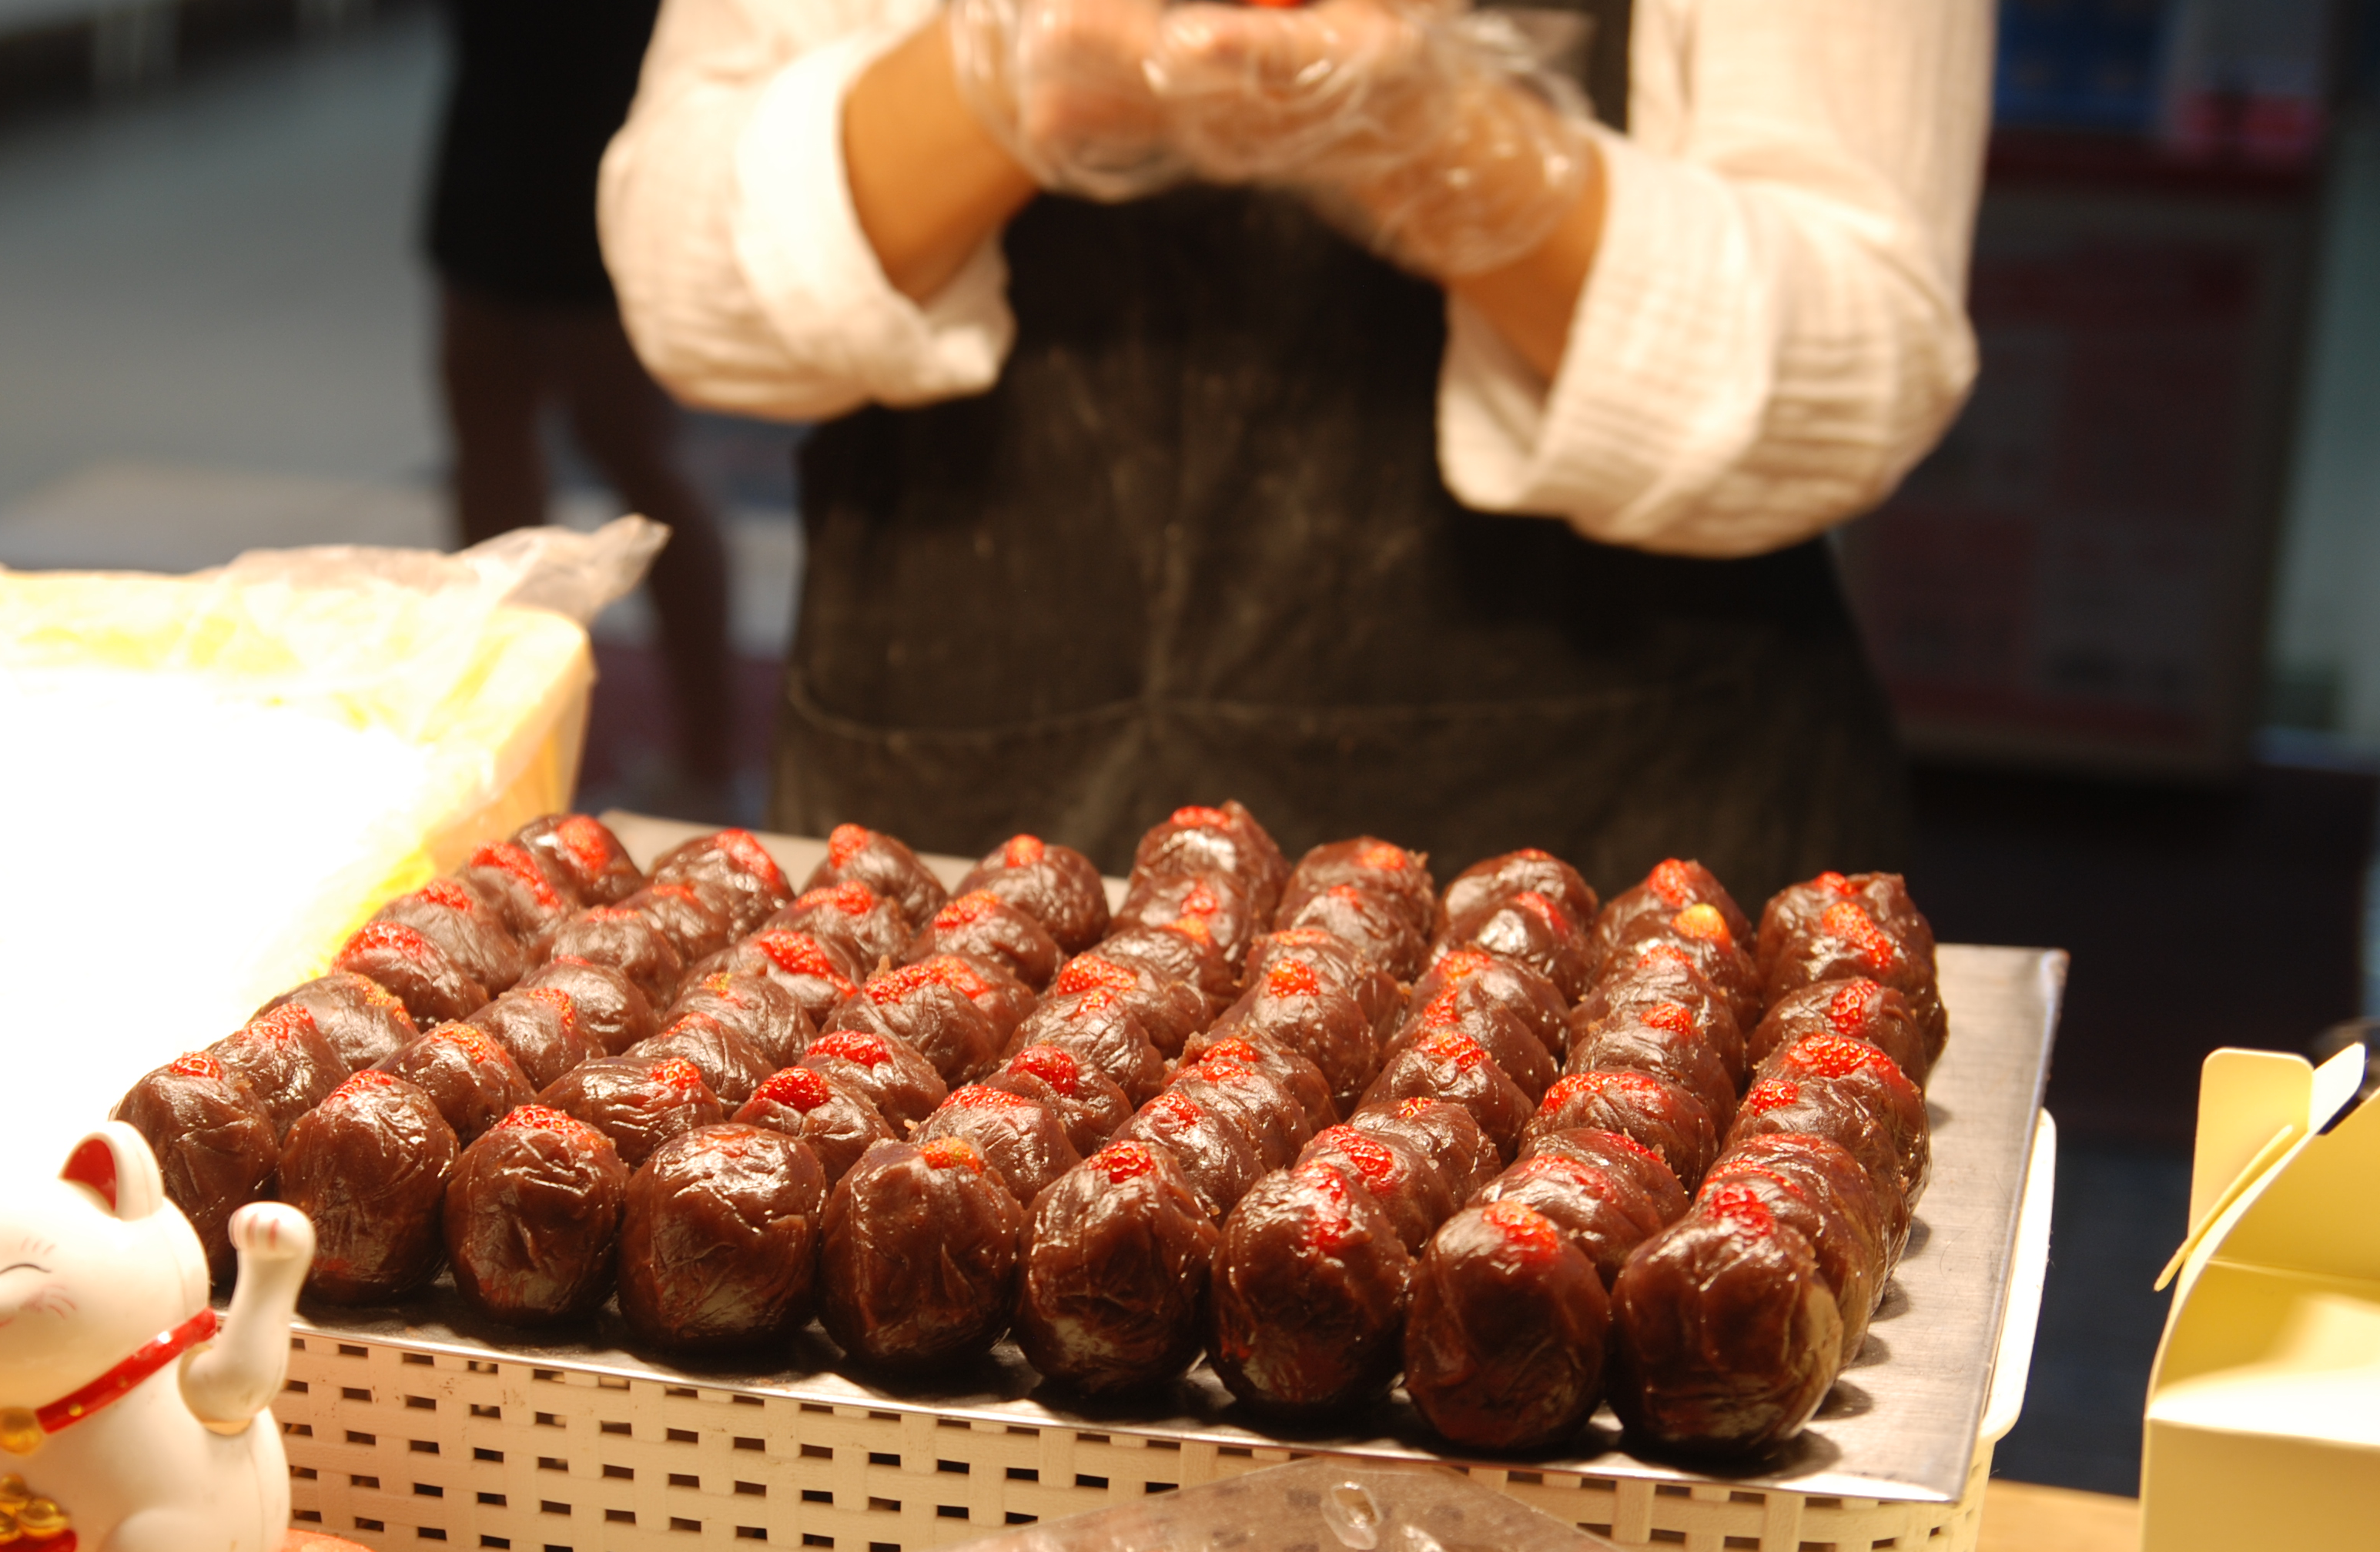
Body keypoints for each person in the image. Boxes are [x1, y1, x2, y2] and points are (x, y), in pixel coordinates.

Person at [594, 0, 1992, 889]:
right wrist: (1008, 72)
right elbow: (688, 272)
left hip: (1600, 847)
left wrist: (1432, 140)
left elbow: (1855, 360)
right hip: (943, 817)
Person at [426, 0, 738, 811]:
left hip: (601, 92)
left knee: (626, 433)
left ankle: (710, 752)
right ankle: (507, 725)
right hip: (498, 90)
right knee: (483, 402)